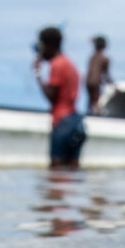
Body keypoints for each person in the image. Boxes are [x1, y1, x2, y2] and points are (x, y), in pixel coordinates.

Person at [34, 26, 85, 167]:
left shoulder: (57, 64)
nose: (40, 50)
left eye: (41, 45)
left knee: (56, 172)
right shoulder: (70, 64)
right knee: (72, 172)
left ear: (50, 45)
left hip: (62, 122)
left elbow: (51, 96)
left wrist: (38, 75)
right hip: (76, 122)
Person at [85, 34, 113, 112]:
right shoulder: (105, 58)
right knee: (96, 102)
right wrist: (112, 84)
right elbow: (106, 74)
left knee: (90, 102)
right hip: (95, 82)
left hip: (88, 81)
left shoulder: (92, 57)